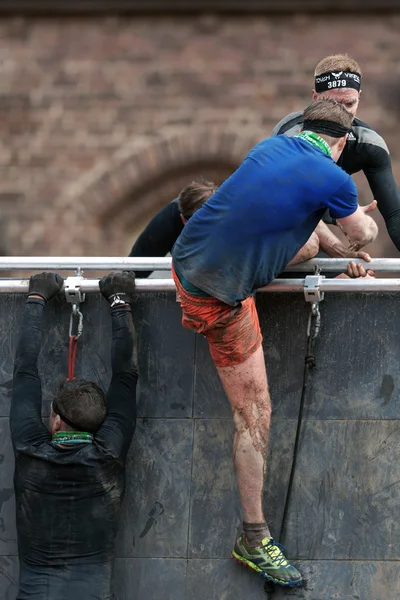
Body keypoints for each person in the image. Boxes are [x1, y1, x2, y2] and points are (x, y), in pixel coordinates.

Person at [170, 99, 378, 588]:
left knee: (306, 242)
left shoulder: (270, 148)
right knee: (255, 415)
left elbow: (294, 219)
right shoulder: (336, 179)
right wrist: (355, 228)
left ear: (304, 129)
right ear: (342, 143)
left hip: (190, 259)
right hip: (218, 299)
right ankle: (253, 536)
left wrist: (335, 248)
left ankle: (321, 248)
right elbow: (365, 231)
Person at [10, 270, 138, 600]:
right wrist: (119, 302)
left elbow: (25, 370)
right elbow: (126, 376)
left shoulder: (29, 447)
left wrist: (37, 297)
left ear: (55, 422)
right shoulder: (109, 451)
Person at [272, 53, 400, 251]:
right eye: (332, 104)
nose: (341, 114)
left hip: (319, 219)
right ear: (315, 98)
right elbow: (290, 211)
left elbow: (395, 214)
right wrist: (341, 258)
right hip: (285, 225)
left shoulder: (369, 143)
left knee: (359, 278)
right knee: (311, 248)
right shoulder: (291, 137)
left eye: (349, 104)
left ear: (359, 98)